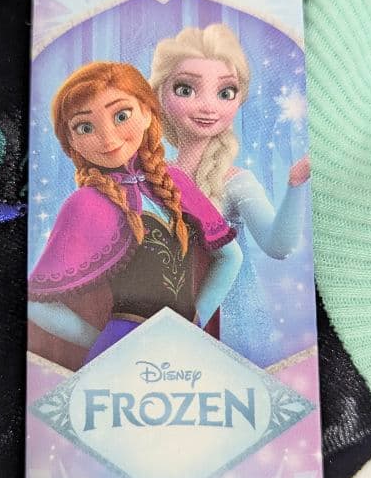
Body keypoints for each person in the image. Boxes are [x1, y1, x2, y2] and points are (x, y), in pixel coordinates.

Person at [28, 61, 242, 365]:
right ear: (71, 141)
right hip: (122, 351)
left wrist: (197, 320)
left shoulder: (174, 181)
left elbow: (230, 257)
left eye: (121, 116)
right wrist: (101, 340)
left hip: (185, 345)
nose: (108, 138)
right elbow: (36, 302)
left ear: (147, 112)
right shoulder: (84, 203)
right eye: (85, 127)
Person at [150, 24, 310, 359]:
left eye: (225, 93)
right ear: (160, 95)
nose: (208, 107)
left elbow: (278, 246)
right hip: (156, 308)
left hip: (228, 315)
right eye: (185, 89)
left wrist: (295, 184)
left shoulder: (236, 182)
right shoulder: (151, 175)